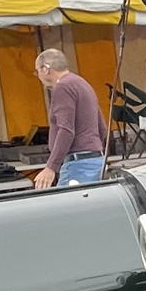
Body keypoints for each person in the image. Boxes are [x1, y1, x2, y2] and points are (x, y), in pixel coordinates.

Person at [32, 49, 108, 188]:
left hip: (77, 165)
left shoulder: (63, 87)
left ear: (45, 69)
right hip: (96, 161)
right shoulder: (83, 84)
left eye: (37, 71)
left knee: (63, 202)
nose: (38, 76)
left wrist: (51, 167)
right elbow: (102, 127)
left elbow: (66, 130)